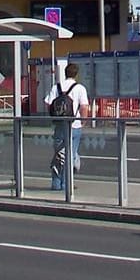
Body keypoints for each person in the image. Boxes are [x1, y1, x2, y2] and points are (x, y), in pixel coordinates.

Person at [43, 62, 90, 191]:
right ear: (76, 74)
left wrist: (55, 116)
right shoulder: (80, 88)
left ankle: (56, 183)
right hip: (74, 126)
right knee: (71, 155)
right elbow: (84, 107)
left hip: (59, 125)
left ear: (65, 73)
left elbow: (49, 104)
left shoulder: (56, 87)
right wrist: (83, 121)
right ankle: (66, 184)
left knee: (59, 154)